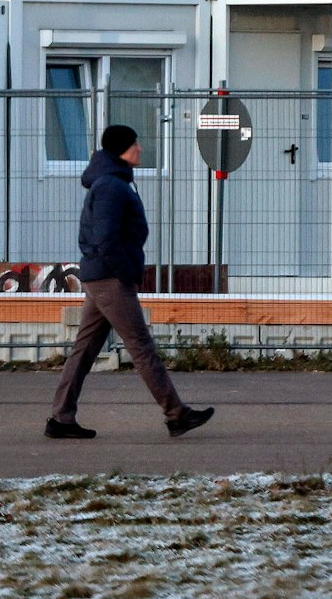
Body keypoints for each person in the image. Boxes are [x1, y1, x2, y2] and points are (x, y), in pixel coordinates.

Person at [47, 124, 215, 440]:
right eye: (135, 144)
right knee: (141, 346)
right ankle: (176, 414)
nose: (140, 148)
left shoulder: (114, 181)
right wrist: (123, 272)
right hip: (111, 278)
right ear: (122, 149)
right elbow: (105, 237)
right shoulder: (111, 185)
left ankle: (61, 418)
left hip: (102, 277)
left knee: (84, 350)